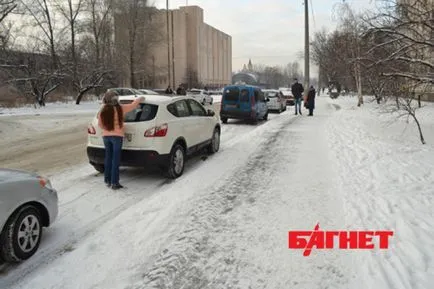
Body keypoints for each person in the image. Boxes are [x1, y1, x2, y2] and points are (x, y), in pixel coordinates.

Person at [98, 91, 145, 190]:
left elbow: (100, 125)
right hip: (117, 137)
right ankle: (115, 183)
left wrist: (108, 128)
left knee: (108, 158)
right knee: (115, 159)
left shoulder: (103, 110)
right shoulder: (120, 108)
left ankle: (107, 180)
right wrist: (140, 99)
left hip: (106, 136)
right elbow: (133, 105)